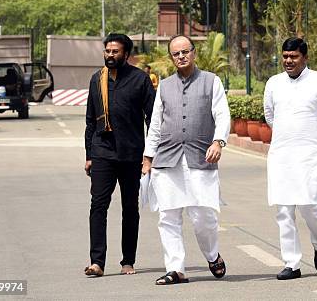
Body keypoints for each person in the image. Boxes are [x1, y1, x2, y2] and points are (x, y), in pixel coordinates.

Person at [142, 34, 230, 285]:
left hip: (201, 158)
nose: (181, 56)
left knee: (204, 216)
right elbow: (156, 125)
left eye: (185, 51)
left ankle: (212, 255)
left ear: (194, 52)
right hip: (167, 159)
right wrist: (148, 157)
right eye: (176, 53)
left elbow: (222, 115)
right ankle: (176, 268)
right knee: (168, 216)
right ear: (171, 57)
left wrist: (218, 141)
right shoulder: (164, 87)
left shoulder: (211, 82)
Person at [264, 37, 317, 280]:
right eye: (285, 57)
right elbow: (269, 114)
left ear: (304, 58)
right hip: (281, 155)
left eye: (293, 57)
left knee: (310, 206)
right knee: (284, 211)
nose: (288, 61)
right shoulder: (274, 83)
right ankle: (292, 263)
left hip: (310, 155)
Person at [84, 33, 156, 277]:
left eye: (115, 52)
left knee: (129, 208)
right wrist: (89, 155)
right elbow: (90, 121)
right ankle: (97, 262)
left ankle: (128, 260)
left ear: (126, 54)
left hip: (131, 154)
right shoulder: (97, 79)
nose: (110, 55)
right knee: (98, 205)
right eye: (107, 51)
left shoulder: (140, 80)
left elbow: (152, 119)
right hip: (102, 152)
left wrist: (149, 155)